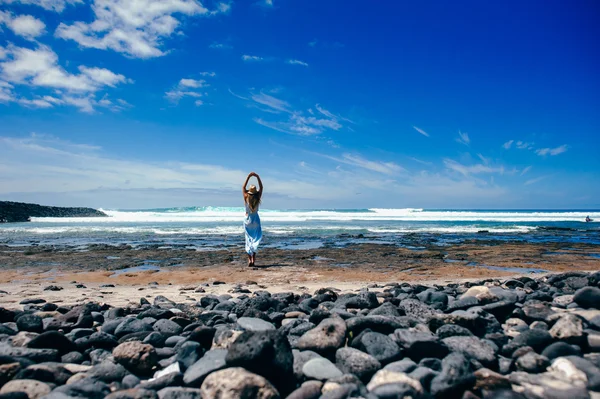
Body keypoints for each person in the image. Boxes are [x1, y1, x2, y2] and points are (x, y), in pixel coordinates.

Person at [242, 172, 263, 266]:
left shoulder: (246, 197)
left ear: (249, 191)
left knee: (248, 239)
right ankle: (253, 259)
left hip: (247, 220)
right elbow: (261, 188)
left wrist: (248, 177)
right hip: (256, 220)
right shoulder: (257, 197)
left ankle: (249, 260)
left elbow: (243, 188)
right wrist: (257, 177)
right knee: (255, 239)